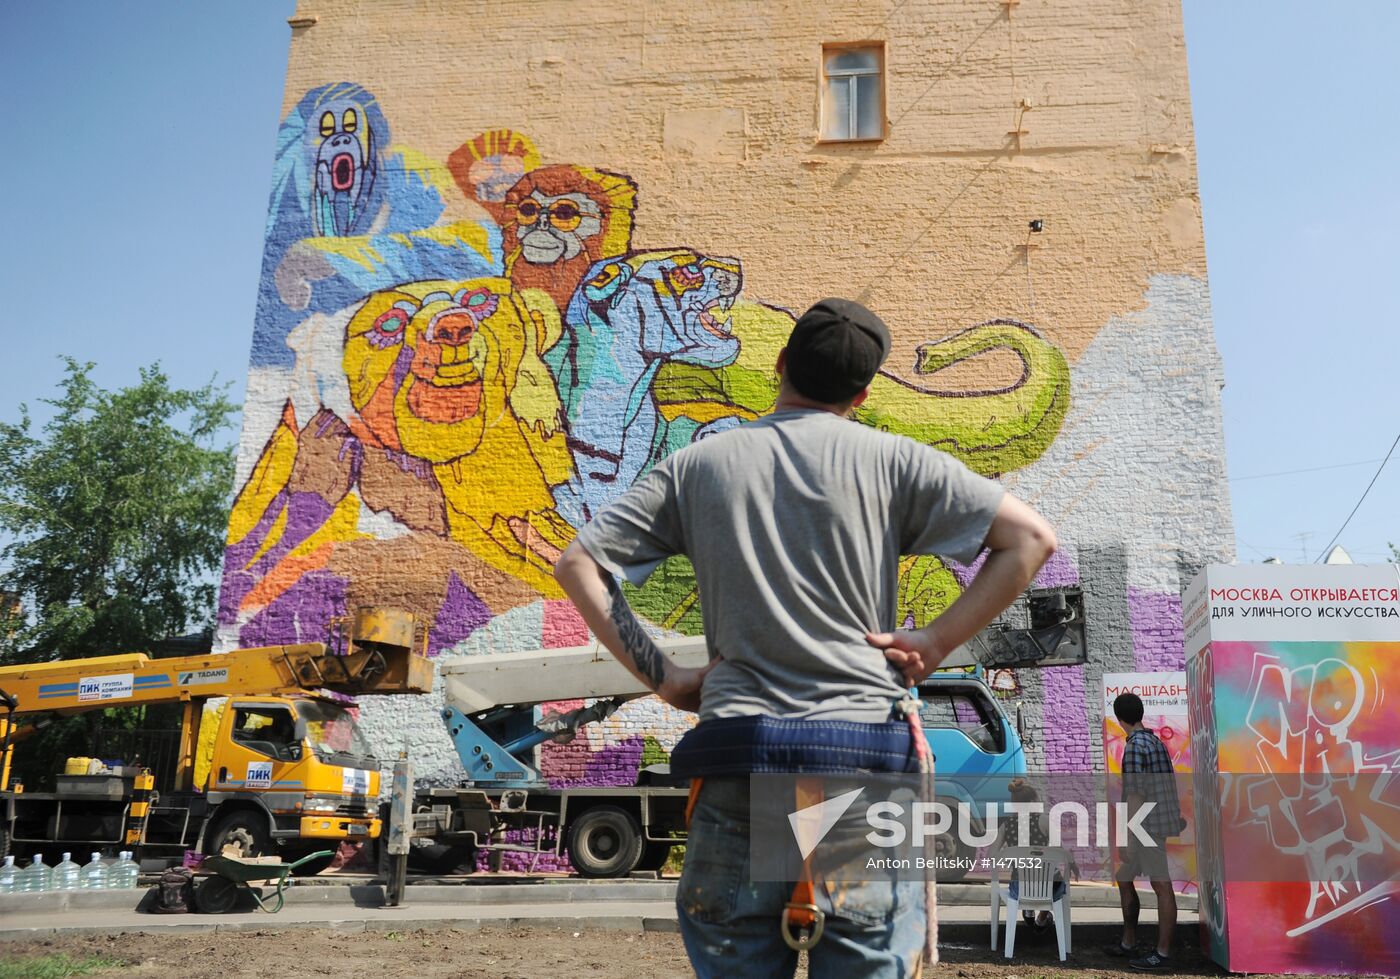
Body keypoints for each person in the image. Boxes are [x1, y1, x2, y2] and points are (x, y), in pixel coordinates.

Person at [554, 297, 1057, 978]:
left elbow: (579, 564)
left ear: (781, 364)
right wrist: (936, 641)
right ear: (863, 393)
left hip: (738, 762)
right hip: (860, 775)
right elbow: (1030, 539)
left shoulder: (700, 465)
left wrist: (668, 679)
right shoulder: (895, 462)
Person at [1106, 692, 1185, 972]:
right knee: (1124, 877)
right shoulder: (1155, 742)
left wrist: (1130, 837)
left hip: (1147, 827)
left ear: (1119, 719)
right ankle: (1129, 943)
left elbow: (1135, 795)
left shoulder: (1134, 747)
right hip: (1157, 823)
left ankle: (1162, 954)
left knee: (1161, 885)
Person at [992, 778, 1078, 931]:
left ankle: (1028, 910)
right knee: (1054, 881)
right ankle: (1041, 919)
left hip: (1021, 888)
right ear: (1032, 802)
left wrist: (1009, 860)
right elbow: (1061, 851)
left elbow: (991, 854)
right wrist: (1072, 864)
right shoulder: (1045, 821)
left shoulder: (1006, 826)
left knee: (1026, 880)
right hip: (1049, 888)